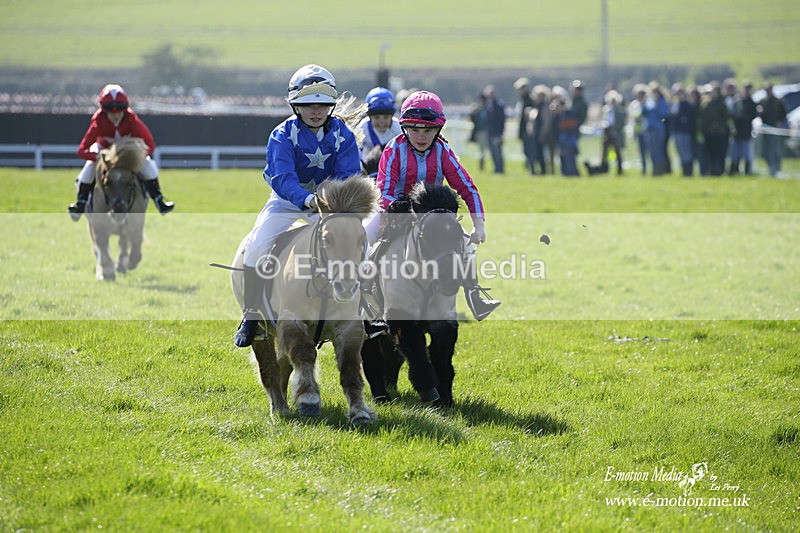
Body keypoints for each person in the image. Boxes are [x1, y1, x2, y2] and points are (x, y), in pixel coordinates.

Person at [234, 64, 363, 347]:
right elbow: (282, 178)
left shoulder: (343, 135)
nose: (316, 111)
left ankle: (364, 309)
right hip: (286, 202)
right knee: (256, 246)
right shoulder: (281, 134)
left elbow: (347, 174)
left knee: (354, 242)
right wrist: (306, 199)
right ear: (295, 105)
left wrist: (328, 202)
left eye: (323, 104)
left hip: (328, 207)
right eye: (307, 105)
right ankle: (252, 315)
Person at [374, 90, 501, 320]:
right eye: (415, 129)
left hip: (432, 217)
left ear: (438, 130)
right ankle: (364, 304)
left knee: (465, 245)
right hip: (395, 214)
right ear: (404, 128)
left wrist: (478, 224)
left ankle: (474, 295)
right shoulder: (393, 149)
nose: (421, 136)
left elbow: (467, 188)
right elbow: (383, 191)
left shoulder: (443, 150)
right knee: (363, 238)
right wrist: (398, 207)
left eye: (428, 130)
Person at [68, 84, 174, 220]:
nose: (116, 115)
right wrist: (99, 157)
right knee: (88, 169)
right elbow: (82, 150)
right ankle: (80, 203)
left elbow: (150, 144)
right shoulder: (98, 120)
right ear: (104, 110)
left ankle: (159, 201)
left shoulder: (131, 119)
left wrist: (137, 158)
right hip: (104, 150)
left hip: (127, 153)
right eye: (111, 112)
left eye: (119, 111)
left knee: (149, 167)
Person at [356, 86, 401, 176]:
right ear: (369, 117)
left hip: (393, 167)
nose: (381, 122)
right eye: (377, 117)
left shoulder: (397, 127)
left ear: (391, 116)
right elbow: (356, 152)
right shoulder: (363, 127)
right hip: (369, 168)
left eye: (385, 117)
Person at [697, 81, 730, 176]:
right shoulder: (705, 103)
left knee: (720, 154)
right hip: (709, 132)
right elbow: (702, 117)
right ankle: (711, 171)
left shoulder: (722, 103)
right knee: (710, 154)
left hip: (720, 132)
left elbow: (726, 117)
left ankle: (720, 171)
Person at [757, 82, 788, 178]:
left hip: (775, 129)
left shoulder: (778, 101)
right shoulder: (762, 101)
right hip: (765, 128)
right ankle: (771, 169)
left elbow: (784, 113)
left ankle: (777, 169)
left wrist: (780, 122)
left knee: (776, 150)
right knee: (766, 150)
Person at [729, 81, 758, 175]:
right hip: (737, 130)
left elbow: (754, 115)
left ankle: (747, 171)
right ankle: (734, 170)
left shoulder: (752, 103)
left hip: (746, 130)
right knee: (735, 153)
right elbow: (732, 114)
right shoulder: (737, 101)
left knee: (747, 153)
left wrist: (744, 117)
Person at [670, 83, 697, 176]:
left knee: (686, 152)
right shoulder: (674, 104)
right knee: (680, 152)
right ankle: (684, 171)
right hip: (677, 131)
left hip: (685, 131)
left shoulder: (686, 104)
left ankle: (688, 172)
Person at [513, 77, 537, 174]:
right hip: (524, 130)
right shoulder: (522, 100)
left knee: (530, 151)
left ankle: (533, 170)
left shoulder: (529, 100)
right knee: (527, 151)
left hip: (529, 131)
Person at [482, 85, 506, 174]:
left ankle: (500, 169)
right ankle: (496, 168)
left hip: (496, 133)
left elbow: (501, 120)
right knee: (492, 152)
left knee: (498, 152)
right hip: (490, 132)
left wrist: (500, 134)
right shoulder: (488, 104)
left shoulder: (499, 105)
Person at [627, 84, 649, 175]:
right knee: (642, 151)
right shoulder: (634, 105)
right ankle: (644, 169)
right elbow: (631, 119)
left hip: (648, 130)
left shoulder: (648, 104)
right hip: (639, 131)